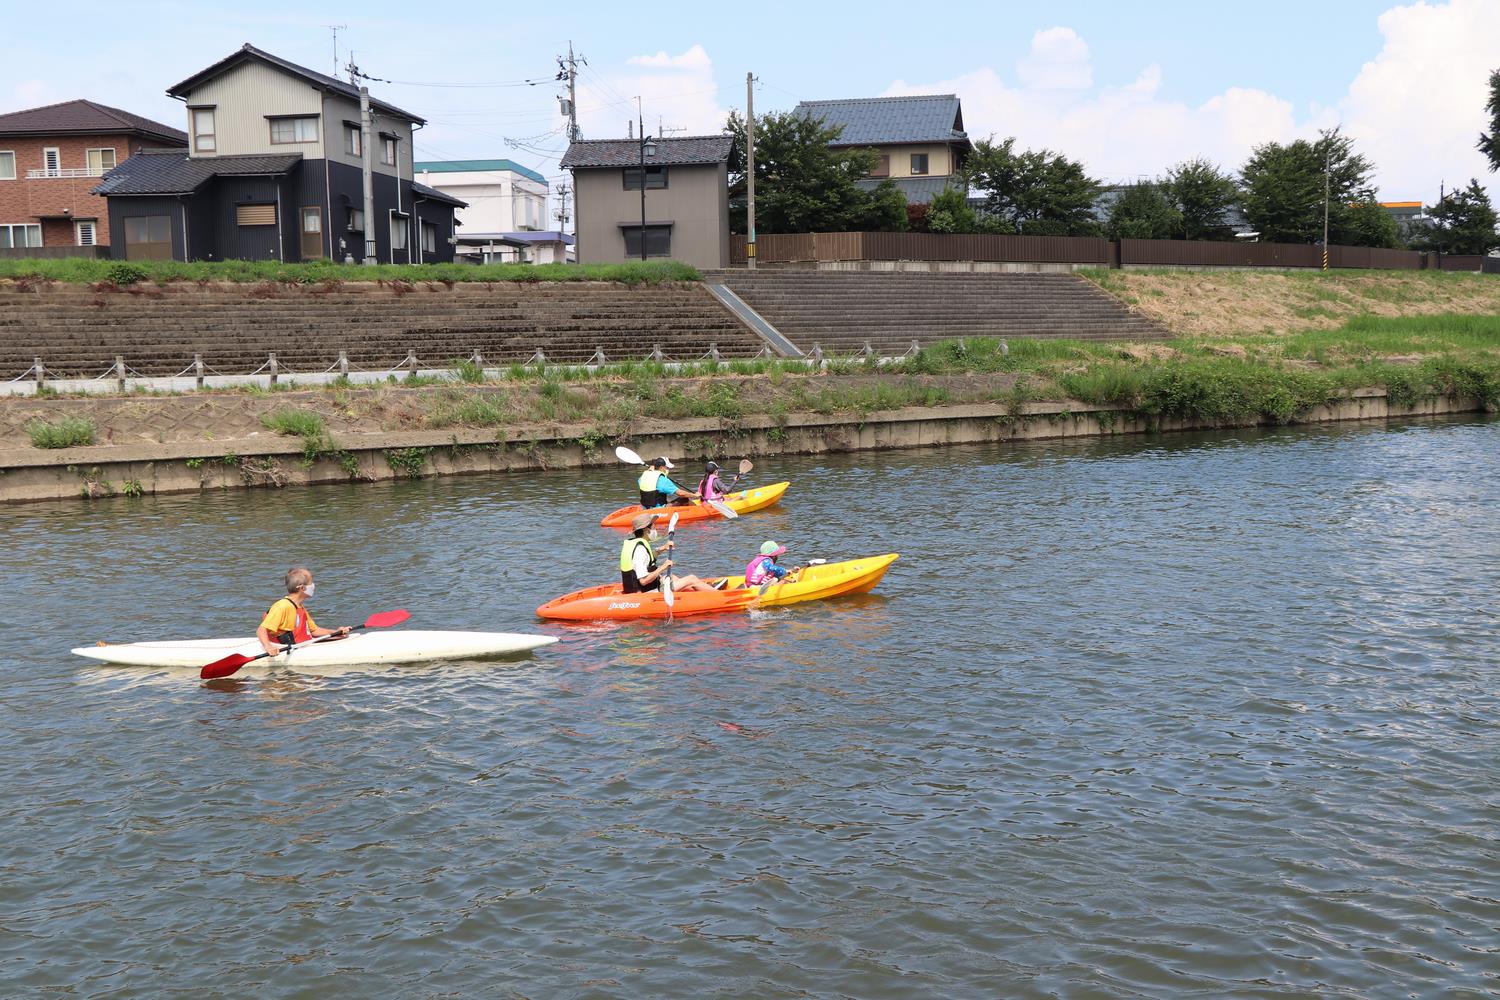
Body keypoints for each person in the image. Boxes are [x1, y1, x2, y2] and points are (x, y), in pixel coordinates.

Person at [257, 567, 350, 657]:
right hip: (285, 648)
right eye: (311, 582)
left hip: (301, 645)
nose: (313, 585)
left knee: (341, 637)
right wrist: (268, 647)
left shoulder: (300, 607)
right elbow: (261, 630)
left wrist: (337, 632)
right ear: (302, 588)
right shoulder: (282, 606)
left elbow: (314, 631)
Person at [619, 512, 714, 594]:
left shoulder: (636, 544)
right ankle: (719, 595)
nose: (655, 529)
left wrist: (663, 548)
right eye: (653, 526)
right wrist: (663, 567)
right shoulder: (640, 550)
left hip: (644, 589)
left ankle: (702, 590)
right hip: (645, 594)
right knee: (691, 578)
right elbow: (644, 581)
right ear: (646, 530)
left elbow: (648, 559)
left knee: (673, 577)